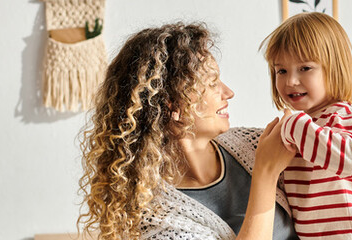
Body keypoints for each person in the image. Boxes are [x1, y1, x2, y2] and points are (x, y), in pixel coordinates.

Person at [78, 22, 298, 240]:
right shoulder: (156, 220)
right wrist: (266, 175)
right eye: (212, 83)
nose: (228, 92)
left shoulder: (253, 144)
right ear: (172, 104)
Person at [260, 12, 352, 239]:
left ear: (334, 68)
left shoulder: (341, 116)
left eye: (305, 68)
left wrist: (295, 125)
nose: (290, 81)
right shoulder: (307, 127)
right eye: (281, 71)